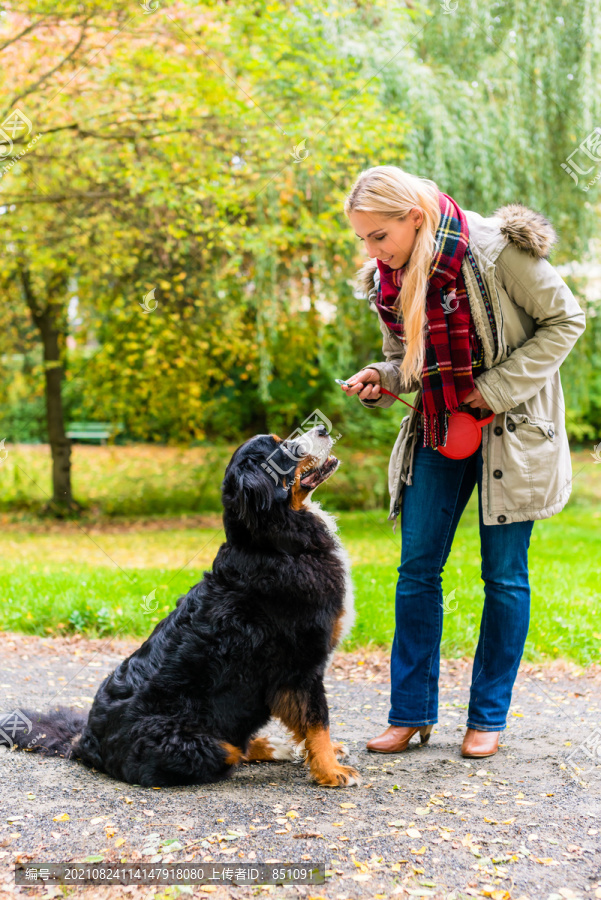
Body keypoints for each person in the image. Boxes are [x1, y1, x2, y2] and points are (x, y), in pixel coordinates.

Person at [339, 166, 586, 758]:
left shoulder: (498, 250)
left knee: (503, 577)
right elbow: (408, 360)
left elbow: (566, 320)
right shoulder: (390, 278)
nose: (371, 252)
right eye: (363, 239)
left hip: (513, 432)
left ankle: (488, 717)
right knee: (416, 572)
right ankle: (410, 714)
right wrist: (382, 374)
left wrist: (494, 389)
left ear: (414, 218)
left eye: (379, 236)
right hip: (436, 428)